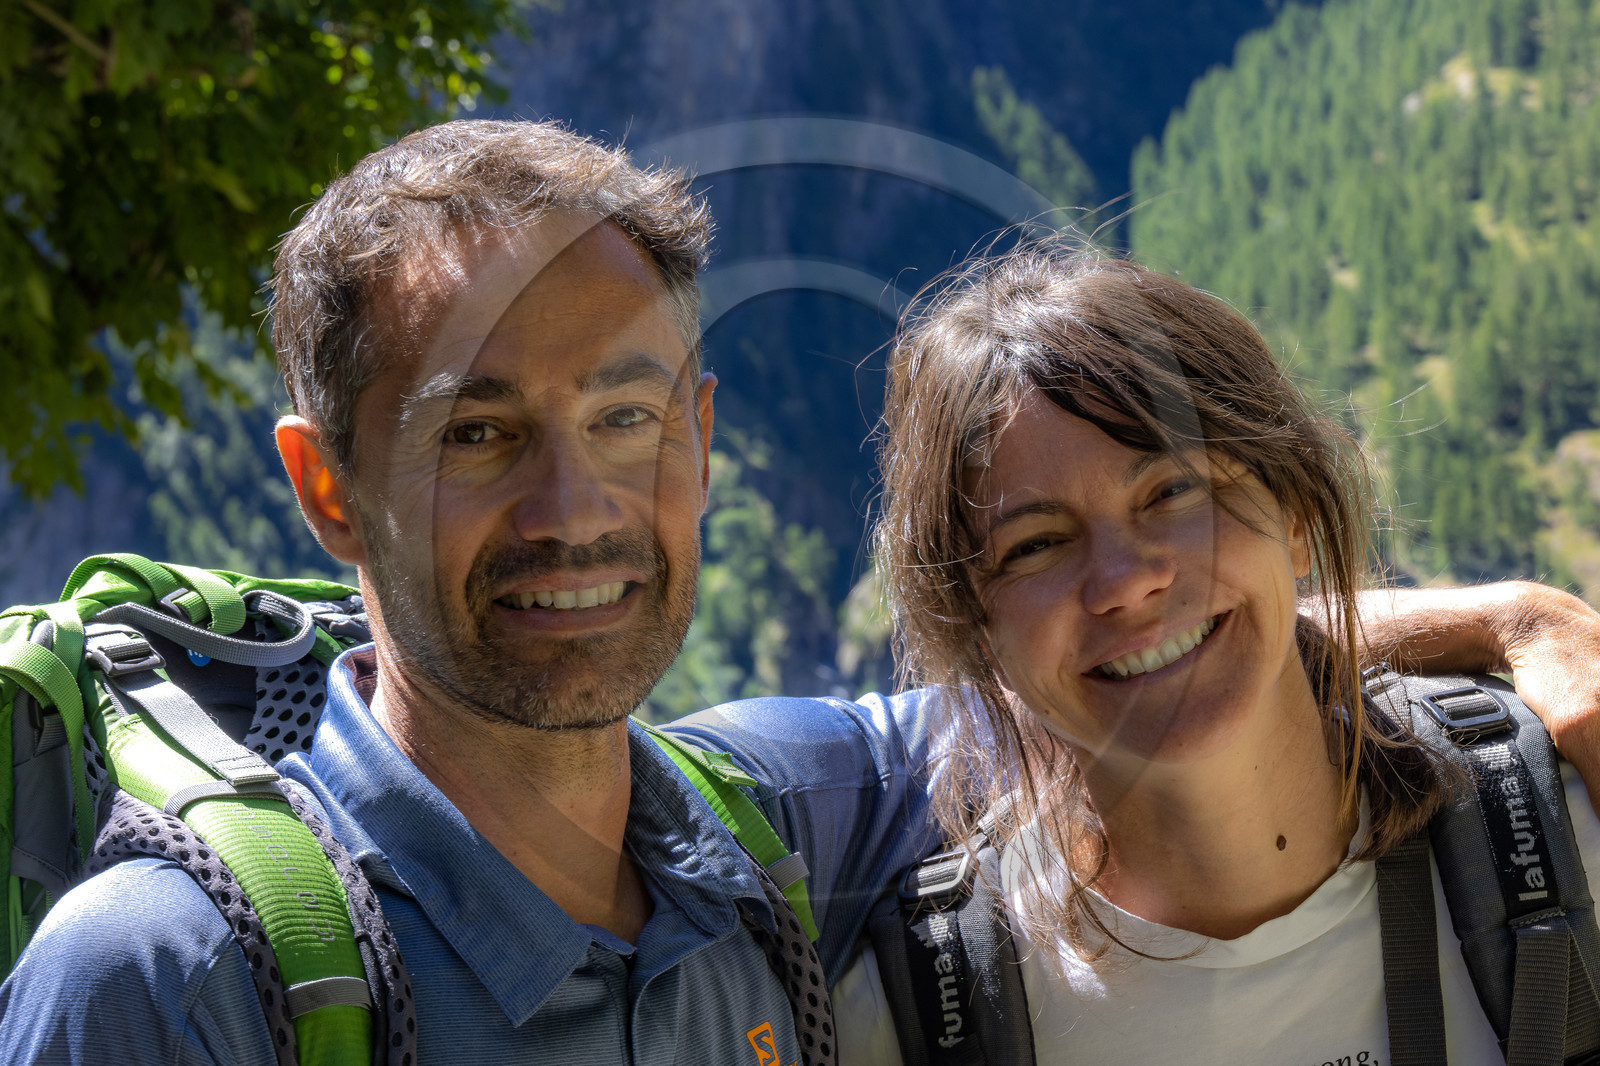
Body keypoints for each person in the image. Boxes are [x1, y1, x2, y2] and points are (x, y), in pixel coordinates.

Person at [0, 119, 1595, 1065]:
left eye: (625, 417)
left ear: (698, 443)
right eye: (478, 433)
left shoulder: (766, 821)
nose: (577, 510)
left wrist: (1516, 618)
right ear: (326, 484)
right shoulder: (163, 979)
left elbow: (1116, 649)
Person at [838, 239, 1600, 1063]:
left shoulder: (1574, 846)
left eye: (1172, 491)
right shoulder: (912, 1020)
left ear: (1298, 516)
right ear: (978, 635)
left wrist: (1524, 618)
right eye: (1035, 546)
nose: (1125, 583)